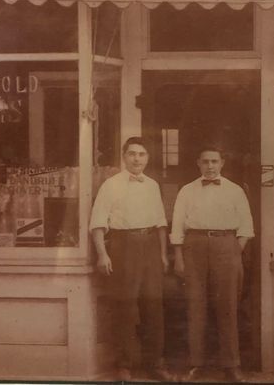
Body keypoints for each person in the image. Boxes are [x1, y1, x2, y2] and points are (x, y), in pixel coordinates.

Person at [89, 137, 173, 382]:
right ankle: (124, 365)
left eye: (142, 154)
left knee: (153, 306)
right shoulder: (111, 185)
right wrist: (102, 254)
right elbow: (98, 222)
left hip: (149, 246)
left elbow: (160, 222)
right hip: (123, 245)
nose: (137, 159)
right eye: (132, 154)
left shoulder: (152, 185)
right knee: (125, 306)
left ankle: (156, 363)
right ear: (124, 157)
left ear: (148, 158)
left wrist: (161, 254)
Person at [171, 146, 254, 383]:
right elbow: (177, 227)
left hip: (227, 246)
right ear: (198, 163)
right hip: (194, 247)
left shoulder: (235, 191)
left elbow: (246, 229)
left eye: (214, 161)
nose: (210, 166)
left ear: (222, 163)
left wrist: (232, 255)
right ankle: (195, 364)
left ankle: (231, 365)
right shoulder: (187, 191)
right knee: (195, 307)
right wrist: (179, 256)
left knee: (227, 307)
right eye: (205, 161)